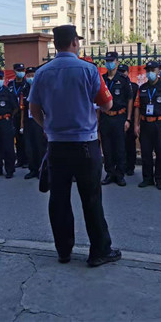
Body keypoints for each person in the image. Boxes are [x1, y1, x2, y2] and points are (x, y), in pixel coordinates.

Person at [27, 24, 121, 267]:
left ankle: (63, 250)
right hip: (85, 145)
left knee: (58, 199)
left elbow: (34, 110)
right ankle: (99, 251)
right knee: (91, 200)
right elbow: (107, 105)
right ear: (74, 43)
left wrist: (48, 126)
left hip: (57, 146)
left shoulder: (42, 73)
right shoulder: (88, 70)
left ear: (55, 44)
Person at [134, 61, 161, 190]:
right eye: (148, 70)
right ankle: (147, 178)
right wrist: (136, 125)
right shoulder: (142, 88)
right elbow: (137, 107)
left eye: (153, 70)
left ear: (158, 71)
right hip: (145, 123)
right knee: (146, 152)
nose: (150, 73)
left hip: (160, 123)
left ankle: (160, 179)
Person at [99, 52, 133, 187]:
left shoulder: (123, 79)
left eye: (111, 61)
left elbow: (129, 99)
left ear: (117, 62)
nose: (109, 63)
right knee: (107, 148)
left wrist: (128, 119)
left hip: (119, 117)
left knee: (119, 147)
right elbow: (98, 100)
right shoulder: (102, 79)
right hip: (105, 117)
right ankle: (109, 173)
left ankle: (120, 175)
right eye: (107, 61)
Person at [20, 67, 47, 180]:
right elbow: (23, 108)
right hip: (28, 121)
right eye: (29, 75)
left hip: (39, 121)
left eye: (33, 75)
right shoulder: (25, 89)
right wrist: (22, 124)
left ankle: (42, 170)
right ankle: (33, 169)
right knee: (30, 147)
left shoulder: (42, 88)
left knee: (40, 146)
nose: (31, 77)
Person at [118, 64, 138, 176]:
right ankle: (120, 166)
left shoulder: (134, 87)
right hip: (119, 117)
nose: (122, 73)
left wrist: (134, 122)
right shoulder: (116, 85)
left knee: (130, 144)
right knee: (119, 145)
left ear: (128, 72)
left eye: (123, 71)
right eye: (120, 71)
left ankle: (130, 166)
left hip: (130, 118)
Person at [8, 63, 28, 169]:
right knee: (17, 138)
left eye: (22, 70)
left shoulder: (27, 84)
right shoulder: (10, 84)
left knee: (25, 138)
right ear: (14, 71)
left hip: (24, 114)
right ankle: (19, 159)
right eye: (18, 70)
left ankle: (26, 160)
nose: (20, 72)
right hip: (14, 114)